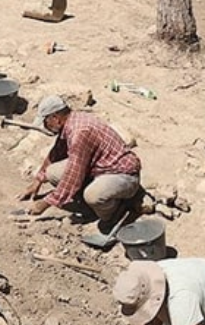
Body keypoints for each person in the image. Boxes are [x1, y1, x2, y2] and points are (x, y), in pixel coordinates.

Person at [17, 95, 141, 228]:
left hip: (123, 175)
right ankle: (93, 202)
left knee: (93, 196)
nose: (45, 126)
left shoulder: (80, 132)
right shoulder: (71, 121)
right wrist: (38, 181)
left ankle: (115, 213)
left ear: (55, 118)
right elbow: (57, 152)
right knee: (51, 172)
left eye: (46, 122)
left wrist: (45, 203)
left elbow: (73, 177)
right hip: (100, 168)